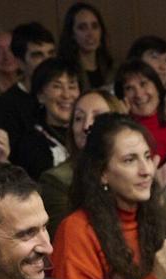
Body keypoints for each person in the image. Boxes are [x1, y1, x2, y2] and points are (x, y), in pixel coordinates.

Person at [51, 114, 166, 279]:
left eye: (147, 157)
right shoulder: (76, 230)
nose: (146, 170)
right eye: (129, 160)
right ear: (102, 172)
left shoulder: (157, 215)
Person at [38, 88, 114, 230]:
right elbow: (67, 236)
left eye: (97, 118)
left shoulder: (137, 170)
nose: (86, 126)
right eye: (79, 118)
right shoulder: (57, 180)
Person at [0, 22, 57, 149]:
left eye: (51, 53)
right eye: (38, 55)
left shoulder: (65, 96)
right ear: (20, 63)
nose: (48, 61)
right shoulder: (7, 106)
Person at [10, 57, 81, 180]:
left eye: (72, 86)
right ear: (40, 96)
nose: (66, 95)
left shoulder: (88, 133)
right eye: (57, 87)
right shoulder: (30, 144)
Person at [114, 58, 166, 162]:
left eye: (143, 84)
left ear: (158, 88)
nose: (138, 94)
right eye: (129, 88)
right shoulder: (117, 138)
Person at [58, 2, 110, 92]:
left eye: (95, 26)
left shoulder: (112, 68)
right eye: (82, 28)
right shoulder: (65, 72)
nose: (90, 34)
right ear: (72, 34)